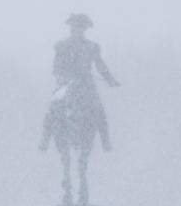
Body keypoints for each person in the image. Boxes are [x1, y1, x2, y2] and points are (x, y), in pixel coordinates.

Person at [39, 13, 120, 152]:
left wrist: (111, 80)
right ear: (71, 28)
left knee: (99, 110)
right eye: (77, 27)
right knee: (53, 106)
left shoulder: (92, 47)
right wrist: (62, 77)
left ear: (85, 29)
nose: (79, 30)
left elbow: (100, 66)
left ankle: (105, 141)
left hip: (87, 84)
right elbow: (56, 68)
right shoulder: (61, 46)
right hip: (66, 83)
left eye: (82, 28)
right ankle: (45, 139)